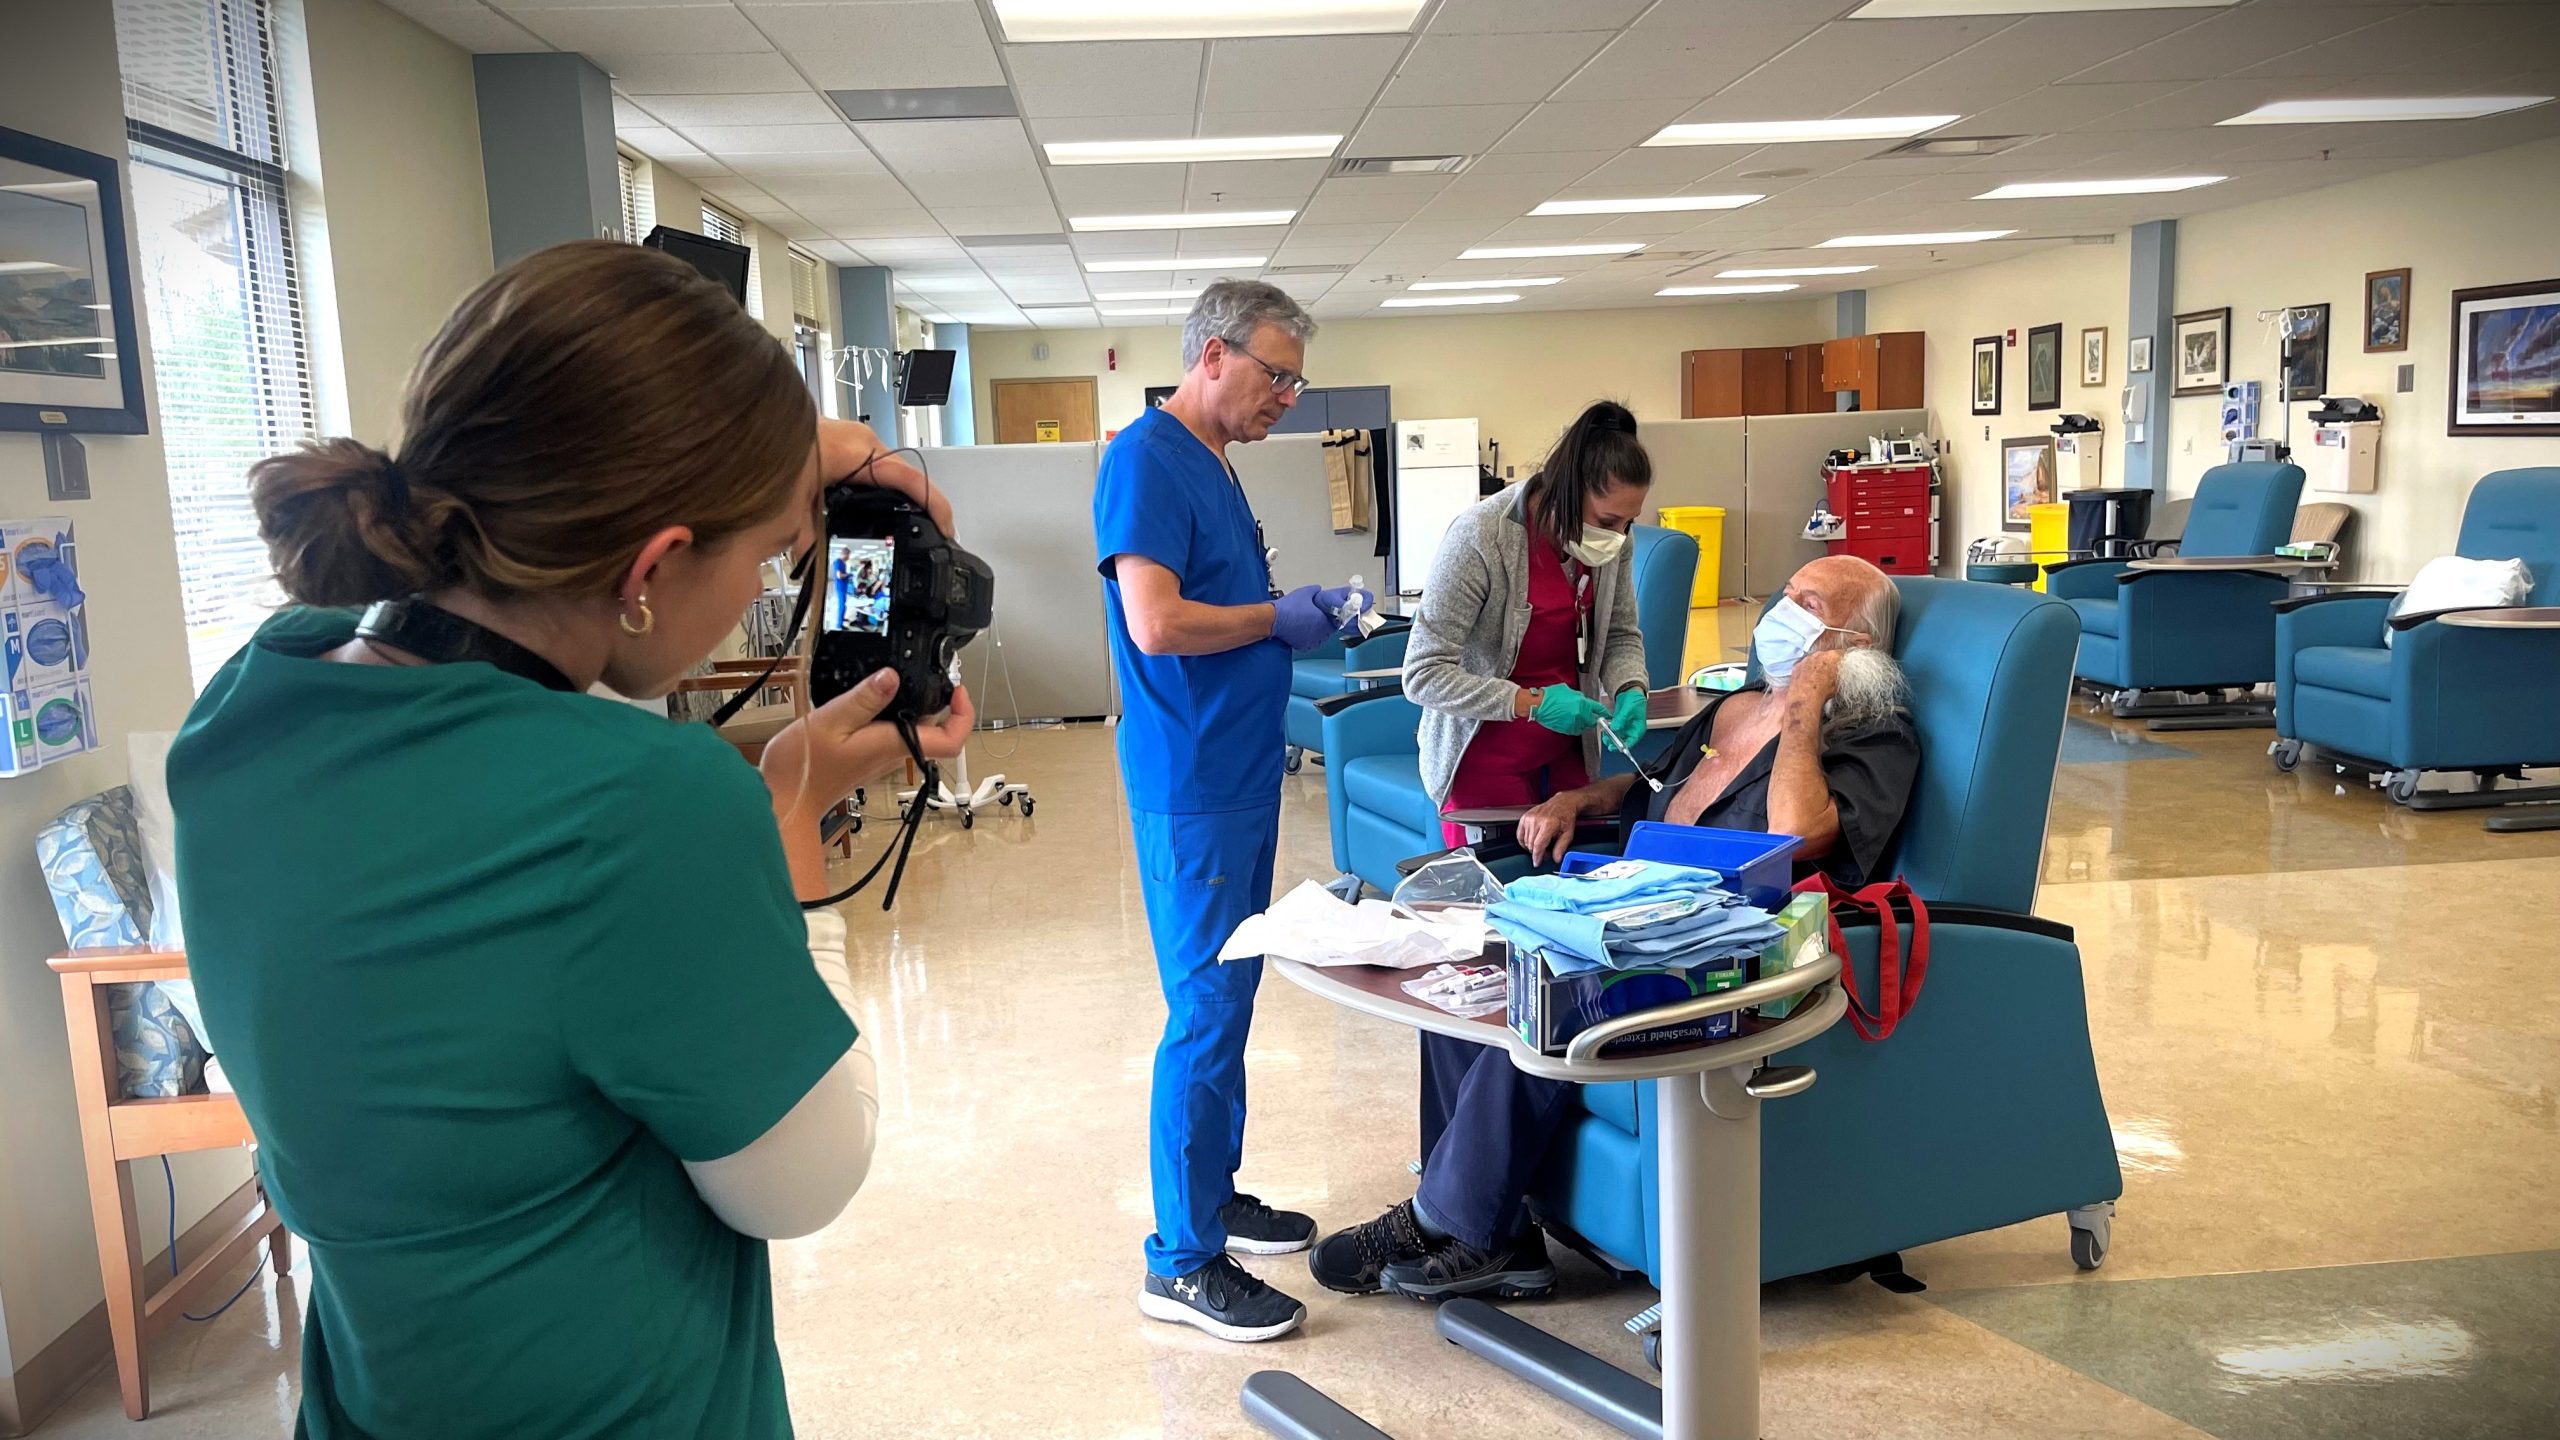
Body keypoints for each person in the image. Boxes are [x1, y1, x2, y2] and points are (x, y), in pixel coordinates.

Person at [168, 241, 973, 1439]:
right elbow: (800, 1181)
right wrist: (789, 815)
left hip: (380, 1398)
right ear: (653, 568)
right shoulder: (650, 800)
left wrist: (808, 451)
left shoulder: (249, 702)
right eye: (760, 555)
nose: (758, 577)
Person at [1310, 555, 1920, 1300]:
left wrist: (1805, 704)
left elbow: (1797, 831)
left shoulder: (1871, 731)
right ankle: (1493, 1232)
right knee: (1467, 973)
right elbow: (1652, 783)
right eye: (1784, 593)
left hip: (1719, 945)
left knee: (1541, 991)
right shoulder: (1732, 707)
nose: (1780, 613)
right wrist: (1577, 798)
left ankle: (1454, 1227)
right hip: (1630, 908)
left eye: (1808, 603)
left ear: (1851, 644)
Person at [1093, 279, 1367, 1343]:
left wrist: (1297, 624)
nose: (1287, 396)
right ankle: (1180, 1259)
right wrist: (1276, 616)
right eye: (1274, 372)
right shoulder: (1142, 459)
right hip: (1192, 783)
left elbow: (1224, 616)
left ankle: (1215, 1197)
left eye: (1296, 377)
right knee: (1203, 1013)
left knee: (1234, 998)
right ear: (1211, 355)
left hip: (1240, 772)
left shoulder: (1210, 465)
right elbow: (1156, 625)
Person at [1401, 400, 1656, 847]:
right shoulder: (1481, 538)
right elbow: (1423, 675)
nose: (1619, 536)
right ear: (1566, 489)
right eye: (1608, 521)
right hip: (1482, 757)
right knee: (1497, 902)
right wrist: (1531, 702)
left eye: (1629, 522)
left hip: (1566, 758)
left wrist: (1630, 688)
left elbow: (1619, 634)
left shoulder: (1615, 541)